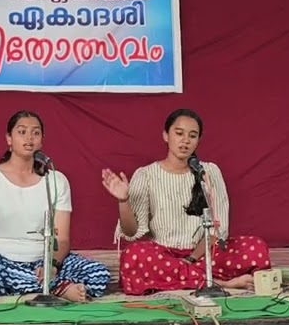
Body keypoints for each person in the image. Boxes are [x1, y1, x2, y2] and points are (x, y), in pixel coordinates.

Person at [102, 108, 271, 295]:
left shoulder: (209, 172)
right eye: (179, 133)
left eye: (193, 135)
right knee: (134, 256)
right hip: (163, 255)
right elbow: (131, 231)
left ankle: (185, 278)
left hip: (204, 254)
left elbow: (218, 230)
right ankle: (221, 283)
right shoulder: (146, 175)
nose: (185, 141)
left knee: (256, 248)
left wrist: (190, 260)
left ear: (198, 140)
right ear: (166, 136)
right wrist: (123, 200)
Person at [0, 111, 111, 302]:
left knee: (98, 274)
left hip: (42, 263)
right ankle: (55, 289)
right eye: (22, 132)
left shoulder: (56, 181)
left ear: (42, 141)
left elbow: (62, 239)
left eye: (35, 133)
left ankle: (23, 288)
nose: (29, 138)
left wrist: (51, 265)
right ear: (9, 139)